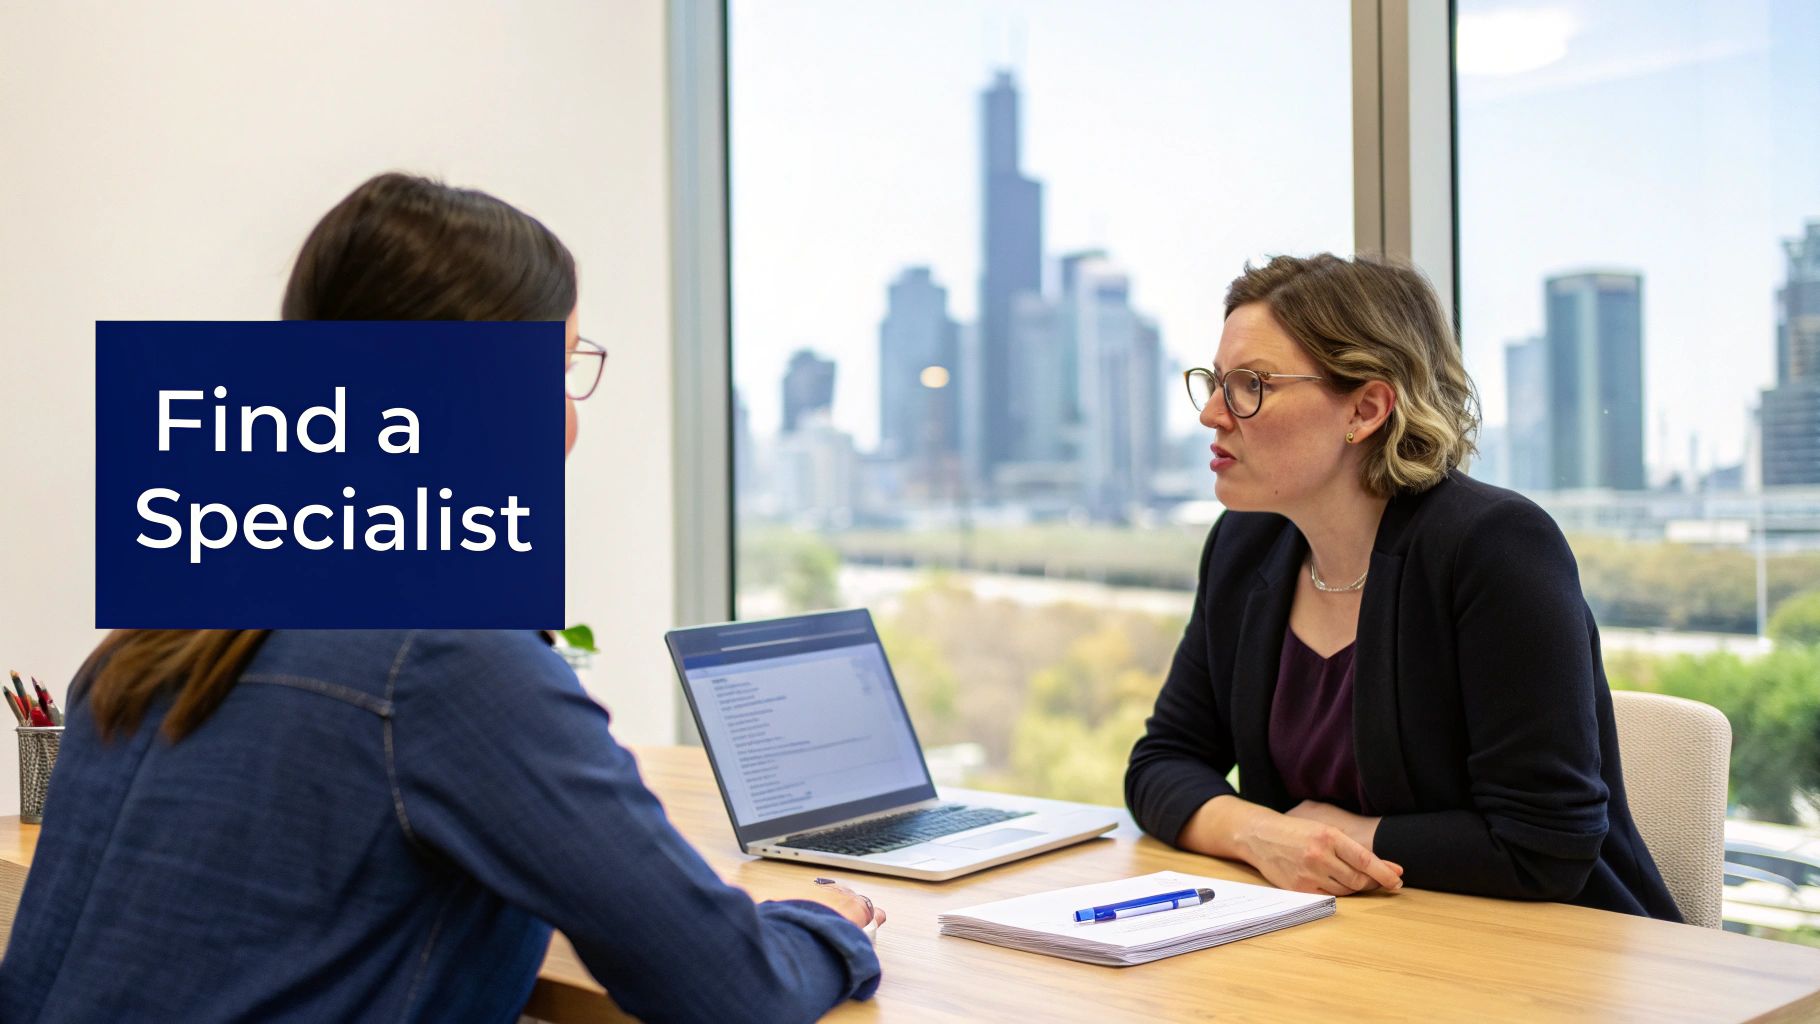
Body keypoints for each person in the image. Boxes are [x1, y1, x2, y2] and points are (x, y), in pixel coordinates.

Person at [0, 173, 886, 1022]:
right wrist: (823, 918)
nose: (571, 414)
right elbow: (734, 994)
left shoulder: (151, 638)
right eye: (563, 363)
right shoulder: (445, 659)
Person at [1124, 253, 1681, 920]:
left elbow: (1546, 845)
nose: (1213, 413)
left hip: (1558, 963)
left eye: (1251, 385)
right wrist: (1264, 834)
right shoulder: (1245, 548)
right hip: (1352, 946)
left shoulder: (1496, 549)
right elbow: (1161, 763)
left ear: (1365, 408)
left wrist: (1342, 838)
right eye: (1214, 383)